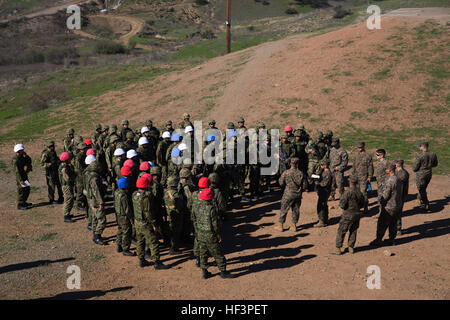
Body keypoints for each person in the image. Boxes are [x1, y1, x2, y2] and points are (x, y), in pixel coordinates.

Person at [194, 187, 233, 279]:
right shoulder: (211, 209)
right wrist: (218, 235)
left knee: (203, 253)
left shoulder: (196, 207)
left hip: (200, 234)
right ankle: (223, 272)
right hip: (211, 235)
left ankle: (204, 272)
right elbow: (215, 225)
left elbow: (194, 220)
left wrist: (197, 231)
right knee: (218, 253)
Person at [132, 176, 168, 269]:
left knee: (140, 241)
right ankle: (157, 262)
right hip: (146, 224)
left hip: (137, 222)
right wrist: (154, 224)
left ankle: (141, 260)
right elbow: (149, 213)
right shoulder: (146, 197)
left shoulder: (134, 194)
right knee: (153, 242)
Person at [370, 163, 402, 246]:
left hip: (389, 206)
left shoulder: (390, 181)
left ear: (389, 170)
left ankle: (378, 240)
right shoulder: (398, 178)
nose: (385, 170)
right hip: (397, 205)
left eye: (386, 169)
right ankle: (392, 240)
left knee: (382, 223)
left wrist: (381, 200)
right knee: (393, 223)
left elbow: (386, 195)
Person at [331, 176, 365, 255]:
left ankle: (338, 248)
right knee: (353, 230)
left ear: (350, 182)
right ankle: (351, 247)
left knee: (342, 230)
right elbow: (362, 203)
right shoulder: (359, 192)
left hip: (347, 214)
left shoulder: (347, 192)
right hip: (356, 214)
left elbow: (342, 204)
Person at [84, 155, 106, 245]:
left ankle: (94, 232)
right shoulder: (94, 178)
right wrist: (101, 202)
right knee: (102, 219)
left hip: (90, 199)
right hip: (95, 200)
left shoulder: (87, 173)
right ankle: (97, 235)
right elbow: (96, 191)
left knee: (94, 217)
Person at [277, 157, 304, 232]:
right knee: (296, 210)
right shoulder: (301, 173)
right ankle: (294, 225)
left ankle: (280, 225)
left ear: (290, 164)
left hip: (288, 194)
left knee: (284, 209)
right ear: (297, 164)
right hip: (298, 194)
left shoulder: (286, 172)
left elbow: (281, 183)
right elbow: (305, 185)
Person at [412, 141, 438, 211]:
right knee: (423, 188)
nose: (419, 147)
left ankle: (426, 204)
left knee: (421, 189)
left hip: (421, 175)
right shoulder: (433, 154)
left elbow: (414, 168)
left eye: (420, 146)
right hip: (429, 173)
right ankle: (420, 199)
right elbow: (435, 164)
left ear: (423, 147)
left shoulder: (420, 156)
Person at [114, 178, 135, 257]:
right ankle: (125, 249)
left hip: (119, 214)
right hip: (124, 216)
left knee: (120, 229)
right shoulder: (124, 195)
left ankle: (119, 245)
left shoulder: (117, 192)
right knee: (127, 231)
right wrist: (131, 218)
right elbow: (127, 209)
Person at [351, 141, 374, 213]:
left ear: (364, 147)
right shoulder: (356, 156)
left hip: (364, 177)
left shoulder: (368, 156)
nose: (359, 149)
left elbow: (370, 167)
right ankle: (358, 207)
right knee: (357, 193)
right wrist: (352, 175)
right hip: (356, 177)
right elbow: (354, 166)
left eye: (360, 147)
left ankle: (365, 207)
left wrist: (370, 176)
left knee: (363, 192)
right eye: (358, 147)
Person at [164, 176, 185, 255]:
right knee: (175, 232)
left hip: (168, 214)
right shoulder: (176, 194)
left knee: (169, 230)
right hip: (176, 215)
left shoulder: (165, 192)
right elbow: (180, 205)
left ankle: (169, 244)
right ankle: (174, 248)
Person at [12, 144, 32, 210]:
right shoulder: (15, 160)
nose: (23, 151)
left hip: (24, 175)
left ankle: (24, 202)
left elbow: (29, 161)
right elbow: (17, 171)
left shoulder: (22, 157)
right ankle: (20, 204)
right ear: (18, 151)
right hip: (20, 177)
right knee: (21, 190)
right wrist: (20, 180)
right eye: (22, 150)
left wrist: (26, 156)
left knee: (27, 189)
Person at [59, 152, 76, 223]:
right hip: (66, 186)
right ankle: (66, 216)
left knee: (70, 199)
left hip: (68, 185)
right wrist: (74, 175)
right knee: (68, 199)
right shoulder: (64, 168)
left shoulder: (66, 166)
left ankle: (68, 213)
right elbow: (67, 179)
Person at [314, 159, 332, 227]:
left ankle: (321, 221)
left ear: (325, 165)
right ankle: (325, 219)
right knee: (324, 205)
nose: (321, 166)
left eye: (322, 165)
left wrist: (318, 183)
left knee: (321, 206)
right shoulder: (324, 171)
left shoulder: (328, 173)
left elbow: (325, 183)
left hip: (324, 191)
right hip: (323, 191)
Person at [394, 159, 409, 235]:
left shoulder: (403, 173)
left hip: (400, 196)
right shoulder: (397, 172)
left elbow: (398, 183)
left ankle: (398, 229)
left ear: (397, 164)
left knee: (398, 212)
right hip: (397, 195)